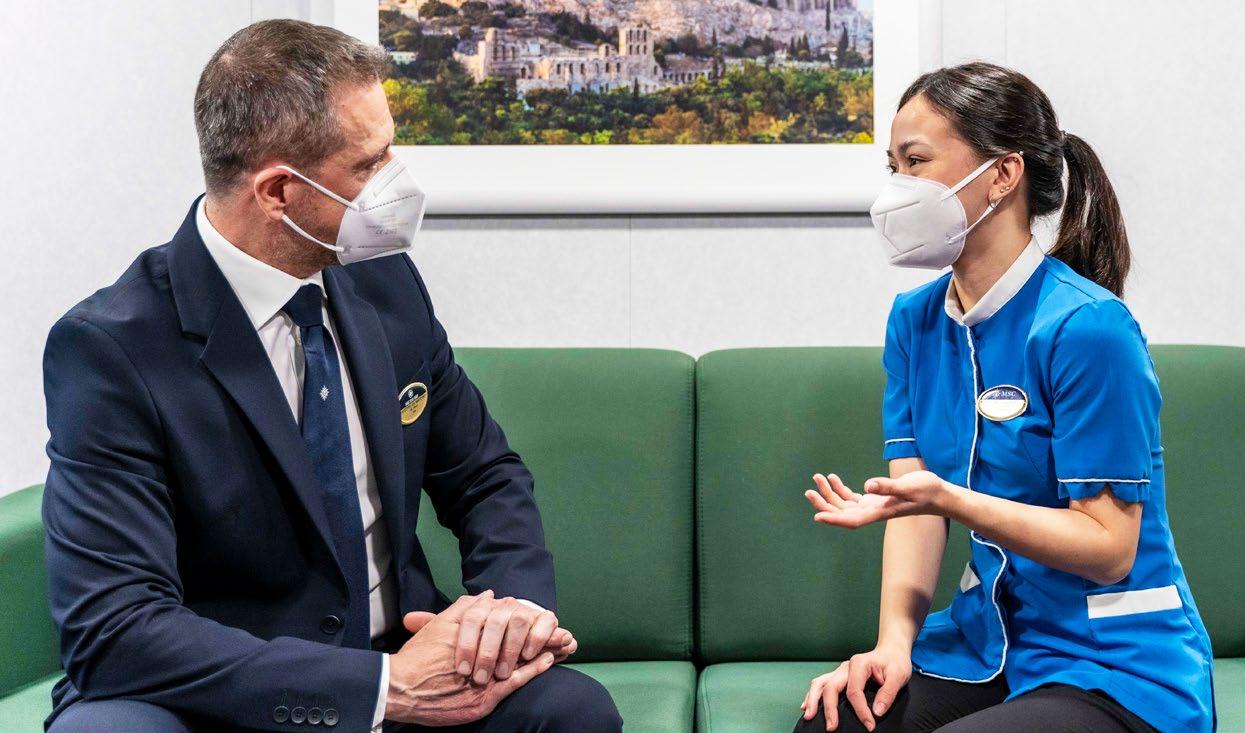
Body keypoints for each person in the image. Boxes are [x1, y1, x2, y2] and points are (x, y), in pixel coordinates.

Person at [40, 19, 621, 733]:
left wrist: (511, 615)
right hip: (228, 698)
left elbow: (484, 476)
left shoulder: (385, 282)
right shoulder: (110, 349)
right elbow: (114, 626)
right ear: (279, 191)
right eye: (369, 164)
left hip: (403, 656)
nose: (397, 181)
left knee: (572, 712)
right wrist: (383, 687)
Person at [793, 62, 1215, 733]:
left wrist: (952, 499)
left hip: (1114, 663)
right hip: (985, 645)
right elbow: (914, 506)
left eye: (916, 162)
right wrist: (892, 645)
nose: (897, 188)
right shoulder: (914, 322)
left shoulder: (1088, 329)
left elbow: (1110, 546)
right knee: (834, 722)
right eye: (893, 167)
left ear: (1002, 175)